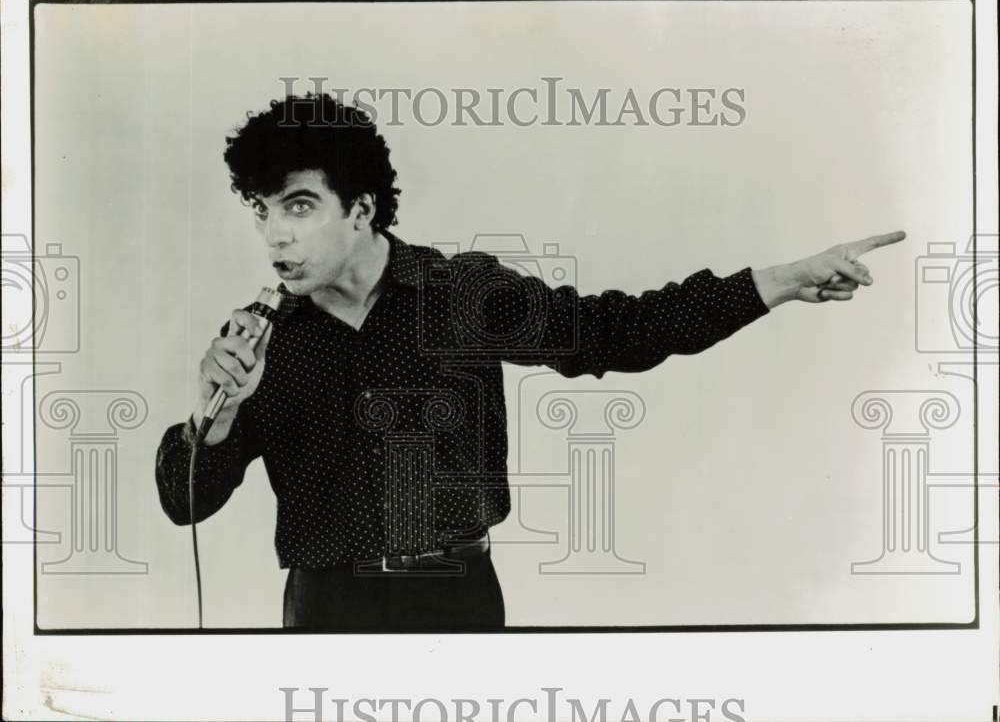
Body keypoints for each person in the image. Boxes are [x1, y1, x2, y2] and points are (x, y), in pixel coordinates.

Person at [155, 93, 905, 631]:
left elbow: (616, 330)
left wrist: (776, 281)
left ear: (361, 210)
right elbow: (186, 502)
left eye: (296, 205)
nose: (274, 237)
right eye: (260, 209)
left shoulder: (461, 294)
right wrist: (211, 416)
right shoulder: (259, 341)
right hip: (323, 612)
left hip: (453, 601)